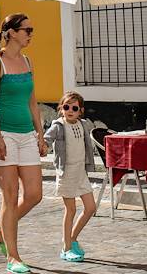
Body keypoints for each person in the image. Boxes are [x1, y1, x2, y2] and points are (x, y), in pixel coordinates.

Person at [0, 13, 46, 274]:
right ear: (11, 32)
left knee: (34, 194)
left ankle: (0, 228)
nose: (31, 34)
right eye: (27, 29)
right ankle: (13, 257)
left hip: (26, 133)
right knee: (10, 196)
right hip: (3, 134)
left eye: (32, 29)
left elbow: (32, 101)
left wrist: (40, 134)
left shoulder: (27, 61)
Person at [43, 91, 99, 263]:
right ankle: (66, 248)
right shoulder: (59, 126)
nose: (70, 110)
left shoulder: (82, 125)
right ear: (61, 109)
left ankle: (72, 238)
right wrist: (43, 146)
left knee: (90, 208)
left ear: (80, 110)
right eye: (66, 107)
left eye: (74, 108)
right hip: (66, 173)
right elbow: (47, 138)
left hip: (80, 172)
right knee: (71, 210)